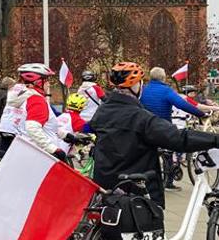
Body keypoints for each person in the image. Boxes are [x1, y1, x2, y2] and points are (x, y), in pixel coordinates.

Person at [91, 62, 219, 217]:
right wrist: (214, 139)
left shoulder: (102, 111)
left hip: (104, 185)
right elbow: (179, 139)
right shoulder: (140, 117)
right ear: (135, 85)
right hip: (135, 190)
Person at [139, 67, 205, 190]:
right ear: (163, 78)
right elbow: (182, 105)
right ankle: (168, 182)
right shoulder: (166, 90)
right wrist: (200, 114)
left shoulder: (143, 89)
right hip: (163, 127)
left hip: (146, 126)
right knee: (169, 151)